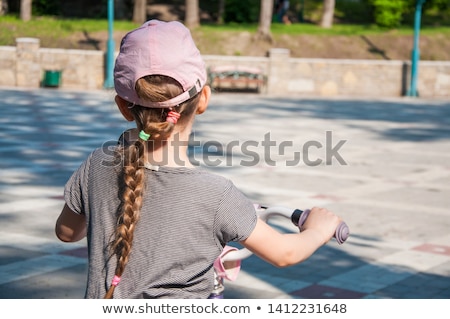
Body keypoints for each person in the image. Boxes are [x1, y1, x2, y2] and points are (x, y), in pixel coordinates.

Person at [55, 20, 342, 299]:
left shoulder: (97, 165)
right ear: (203, 99)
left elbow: (67, 232)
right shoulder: (216, 195)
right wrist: (318, 230)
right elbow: (285, 253)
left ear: (123, 106)